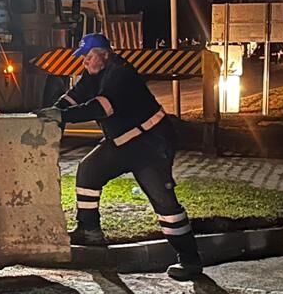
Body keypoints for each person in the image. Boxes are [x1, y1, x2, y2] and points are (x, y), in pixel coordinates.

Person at [41, 32, 204, 281]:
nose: (84, 61)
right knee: (88, 171)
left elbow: (102, 106)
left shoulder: (120, 74)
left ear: (105, 55)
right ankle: (89, 230)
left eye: (88, 56)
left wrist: (62, 117)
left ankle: (189, 259)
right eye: (83, 58)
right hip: (122, 142)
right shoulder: (95, 74)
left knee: (164, 202)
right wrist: (53, 111)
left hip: (150, 145)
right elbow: (75, 96)